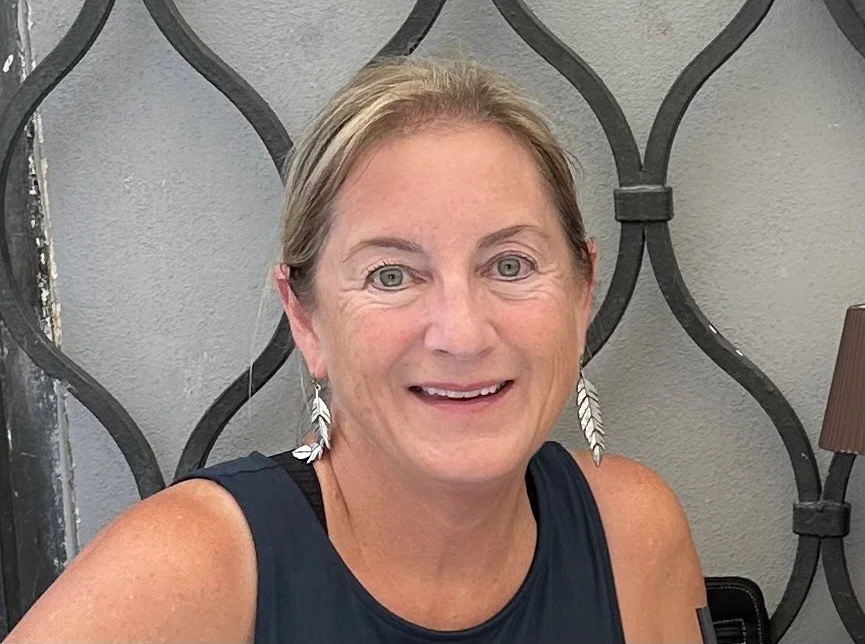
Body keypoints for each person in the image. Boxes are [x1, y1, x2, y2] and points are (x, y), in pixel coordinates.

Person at [6, 57, 707, 643]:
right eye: (391, 276)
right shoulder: (190, 570)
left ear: (581, 293)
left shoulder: (630, 533)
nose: (462, 334)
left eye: (509, 265)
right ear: (306, 318)